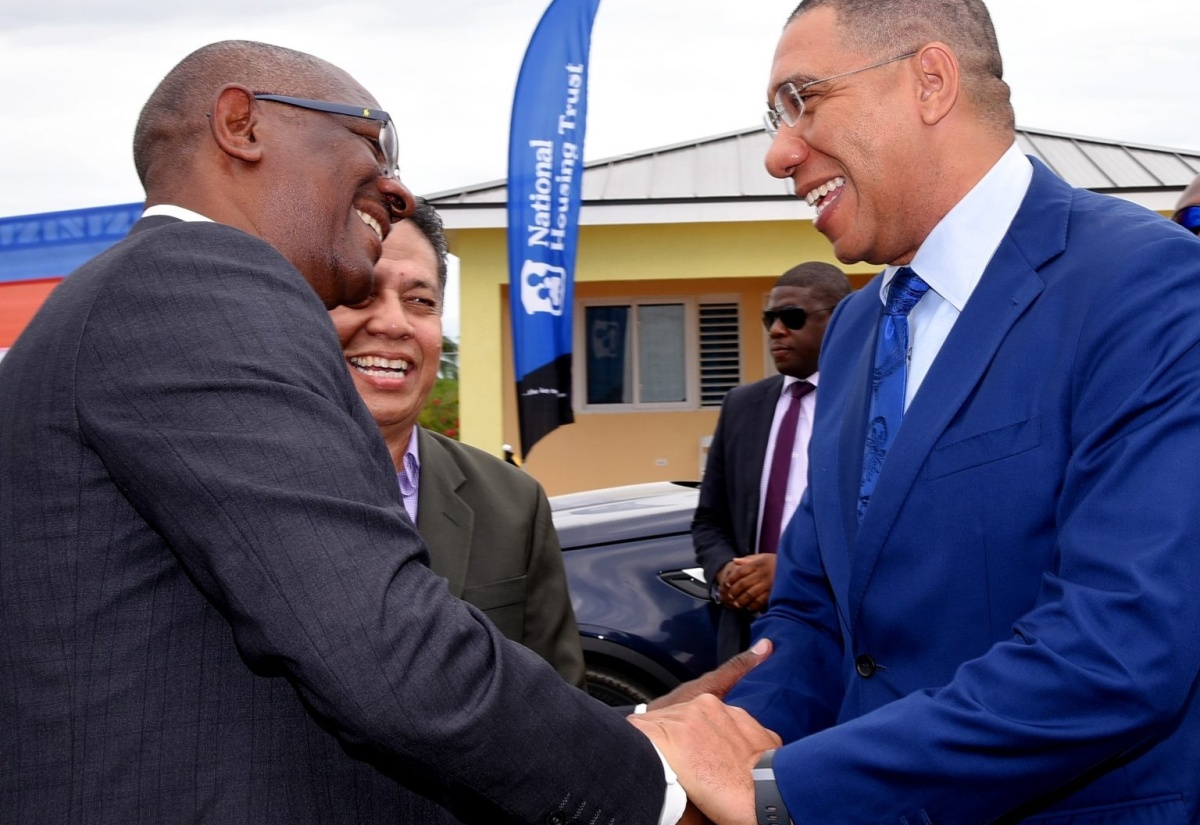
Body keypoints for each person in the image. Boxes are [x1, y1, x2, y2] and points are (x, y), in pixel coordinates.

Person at [0, 40, 776, 824]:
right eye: (374, 141)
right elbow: (387, 652)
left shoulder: (147, 299)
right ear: (242, 125)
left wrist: (624, 732)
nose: (399, 190)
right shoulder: (200, 286)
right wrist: (657, 778)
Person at [635, 2, 1200, 823]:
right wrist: (735, 728)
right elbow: (816, 609)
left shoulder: (1149, 289)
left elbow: (1119, 647)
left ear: (929, 81)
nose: (777, 152)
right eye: (773, 117)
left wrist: (787, 789)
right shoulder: (860, 327)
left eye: (802, 99)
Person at [329, 199, 585, 688]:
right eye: (361, 292)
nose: (394, 323)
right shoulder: (229, 483)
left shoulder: (512, 504)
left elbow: (560, 701)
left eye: (420, 301)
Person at [692, 261, 850, 662]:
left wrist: (791, 569)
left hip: (838, 630)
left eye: (792, 317)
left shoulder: (865, 405)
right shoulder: (741, 405)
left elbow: (875, 527)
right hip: (748, 633)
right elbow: (709, 520)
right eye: (770, 319)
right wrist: (727, 572)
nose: (777, 330)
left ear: (837, 320)